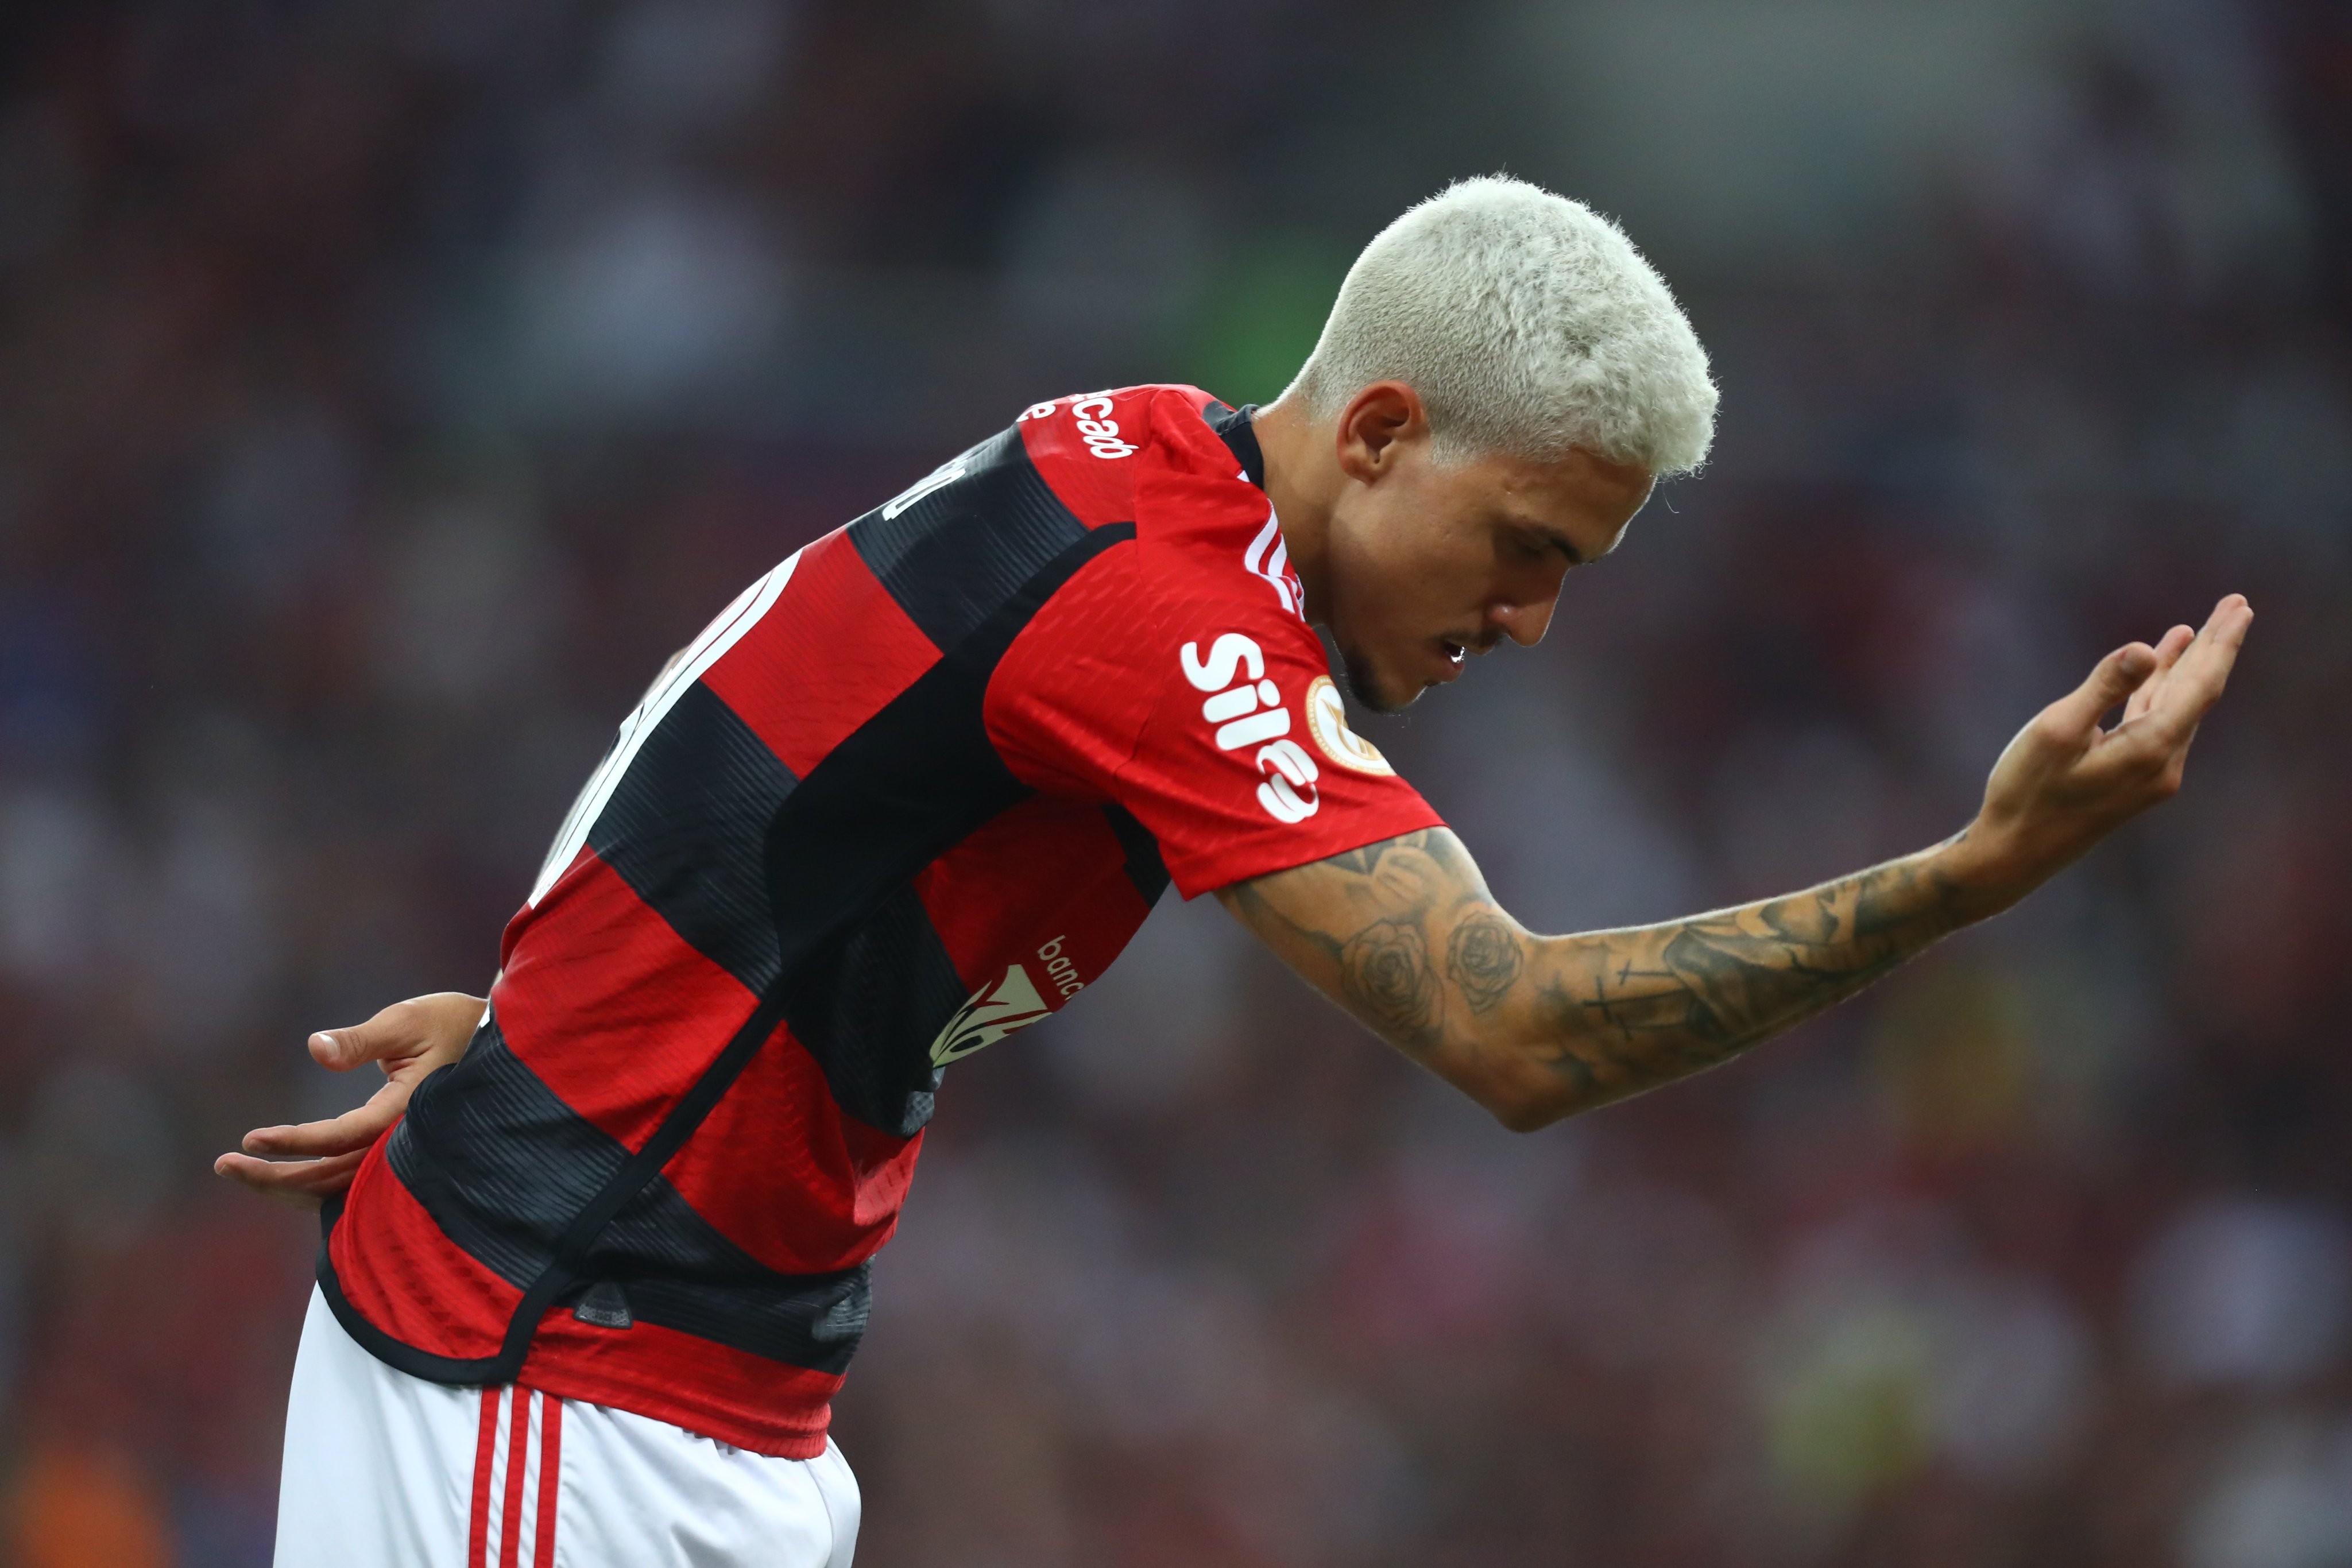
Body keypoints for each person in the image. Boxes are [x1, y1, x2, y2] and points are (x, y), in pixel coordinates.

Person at [219, 176, 2250, 1568]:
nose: (1531, 621)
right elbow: (1514, 1032)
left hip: (699, 1387)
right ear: (1376, 430)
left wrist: (546, 1018)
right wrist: (1977, 873)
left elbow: (779, 706)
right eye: (1525, 547)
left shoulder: (1152, 468)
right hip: (542, 1369)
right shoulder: (1171, 617)